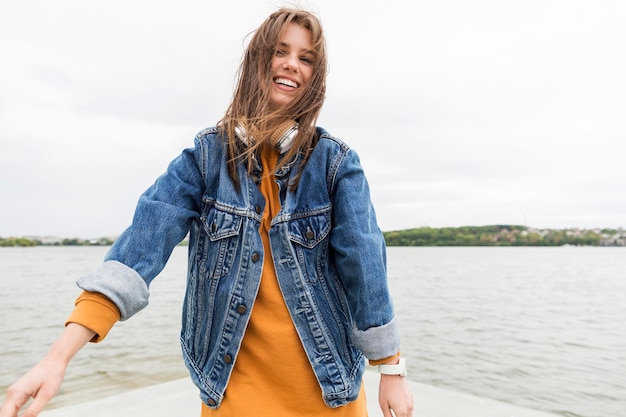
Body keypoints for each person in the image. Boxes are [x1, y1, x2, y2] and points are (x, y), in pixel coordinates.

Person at [0, 7, 414, 417]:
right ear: (258, 60)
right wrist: (57, 358)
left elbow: (365, 265)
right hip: (232, 395)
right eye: (281, 51)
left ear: (315, 77)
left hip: (328, 394)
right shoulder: (204, 158)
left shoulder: (336, 164)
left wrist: (391, 370)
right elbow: (136, 254)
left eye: (306, 59)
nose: (292, 64)